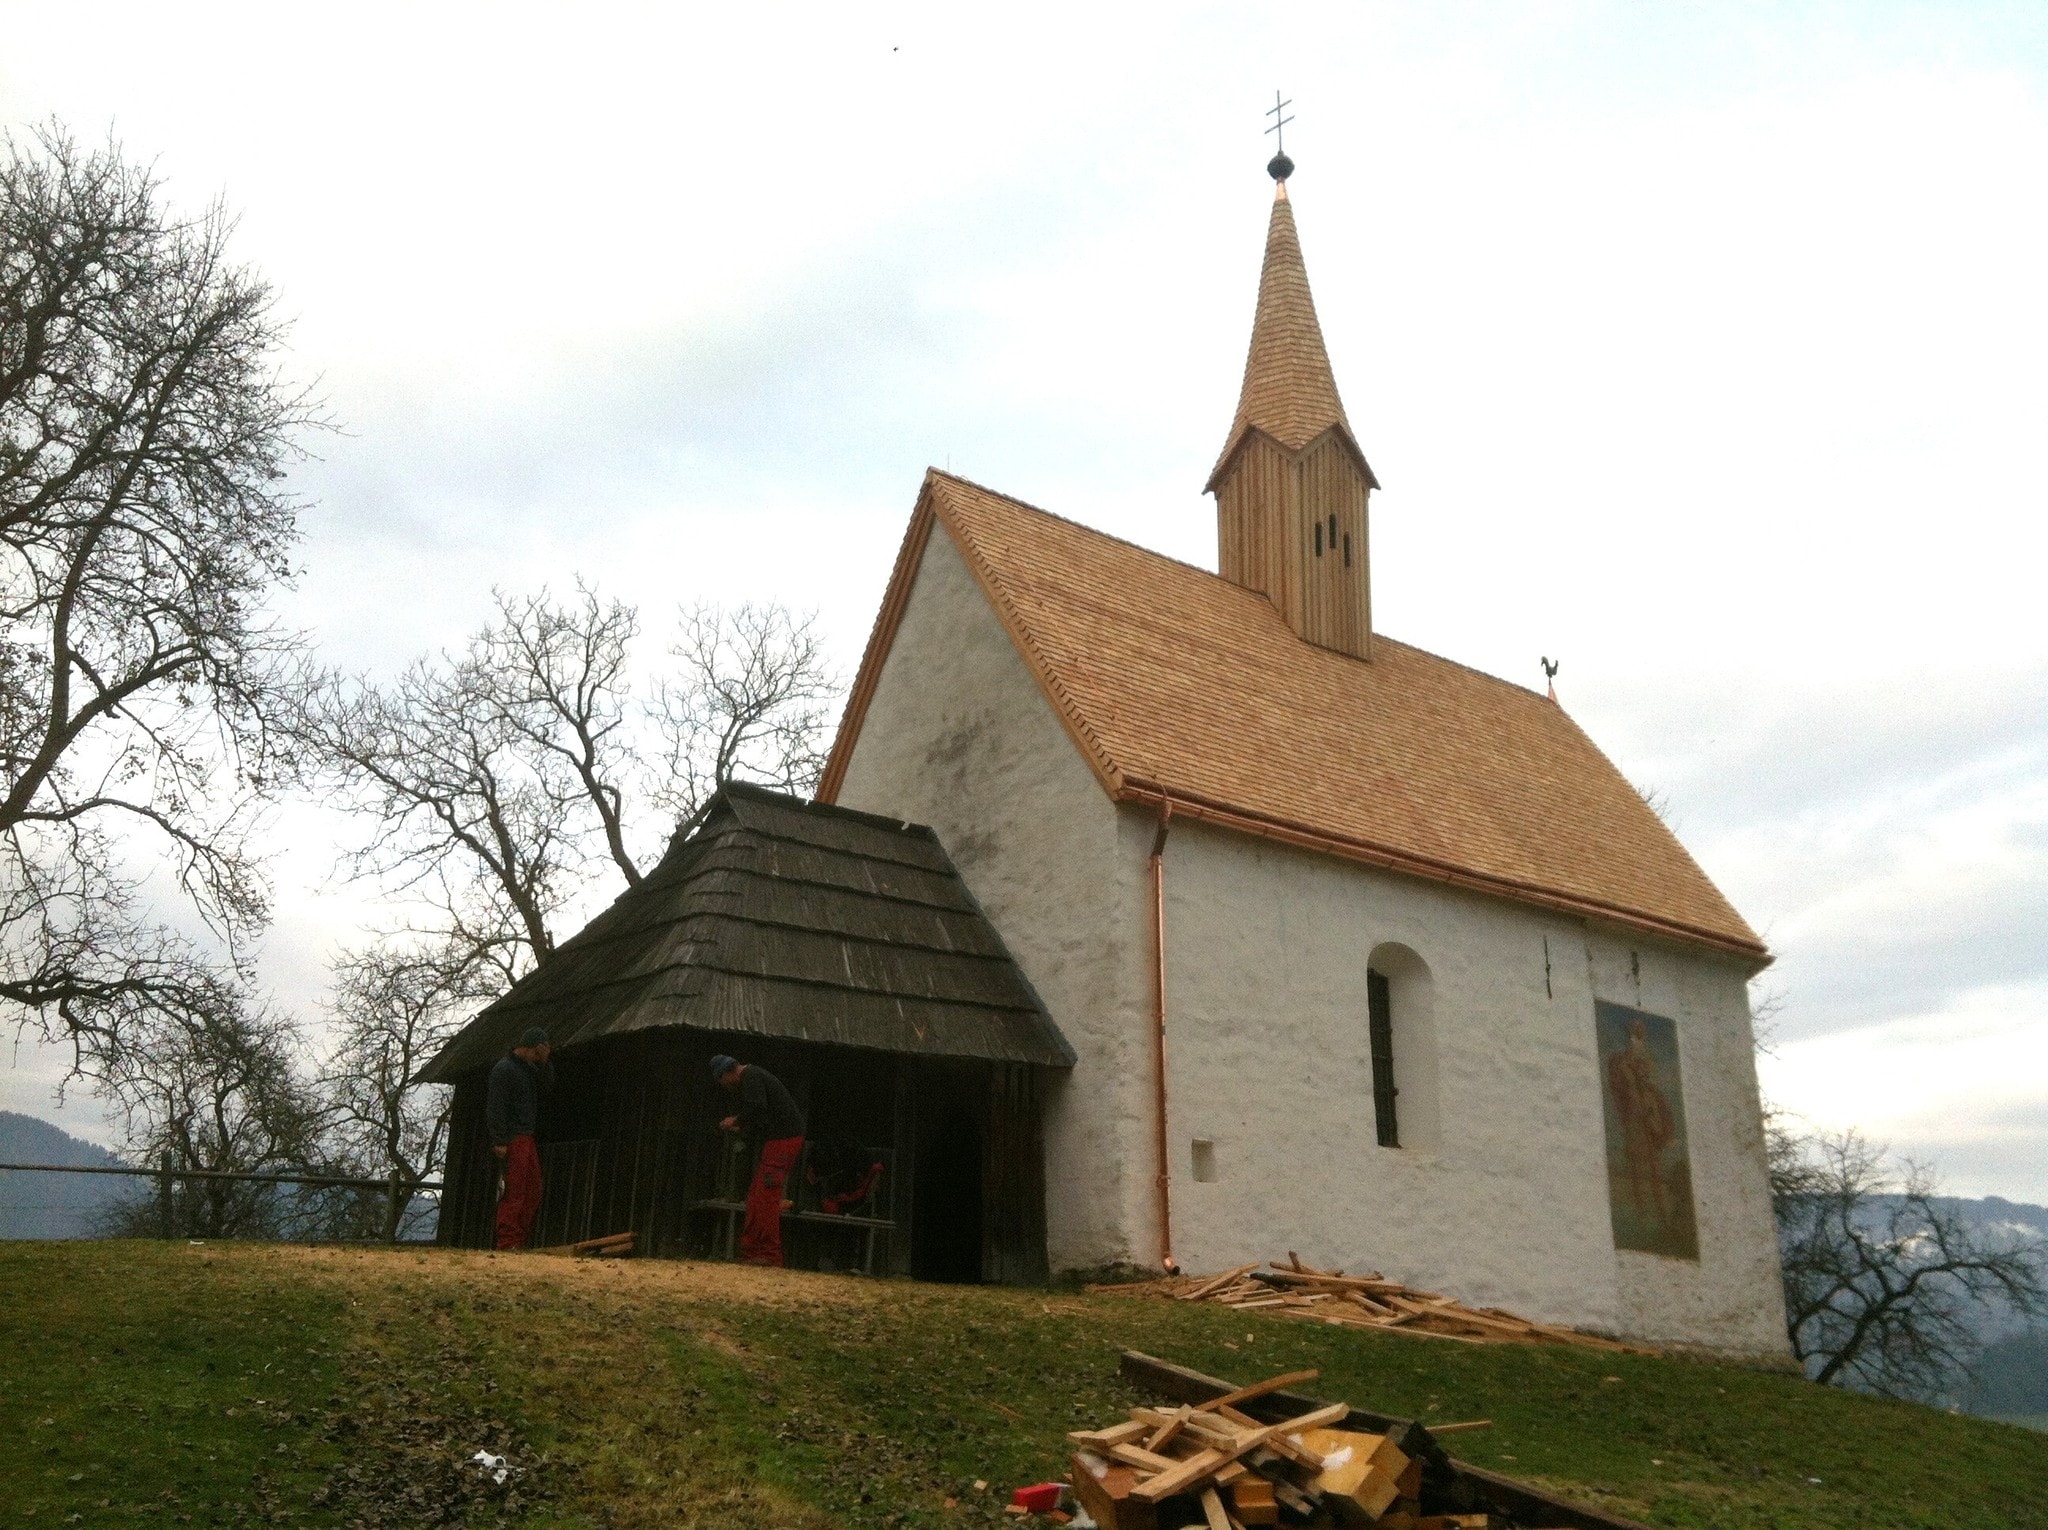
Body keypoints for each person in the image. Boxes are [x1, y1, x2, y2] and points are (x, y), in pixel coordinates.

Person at [713, 1054, 805, 1267]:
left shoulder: (751, 1077)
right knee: (755, 1197)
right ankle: (753, 1251)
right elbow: (762, 1116)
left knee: (767, 1197)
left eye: (721, 1080)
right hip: (777, 1140)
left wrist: (735, 1120)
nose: (724, 1086)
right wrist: (743, 1127)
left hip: (784, 1140)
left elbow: (757, 1107)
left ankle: (770, 1255)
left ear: (726, 1072)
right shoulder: (753, 1078)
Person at [488, 1027, 555, 1250]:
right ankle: (507, 1242)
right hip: (512, 1137)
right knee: (514, 1191)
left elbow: (548, 1088)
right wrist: (499, 1140)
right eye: (537, 1053)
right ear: (527, 1048)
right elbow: (496, 1106)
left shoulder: (530, 1070)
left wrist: (545, 1063)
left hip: (528, 1135)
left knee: (533, 1189)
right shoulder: (504, 1069)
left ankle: (520, 1239)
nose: (537, 1058)